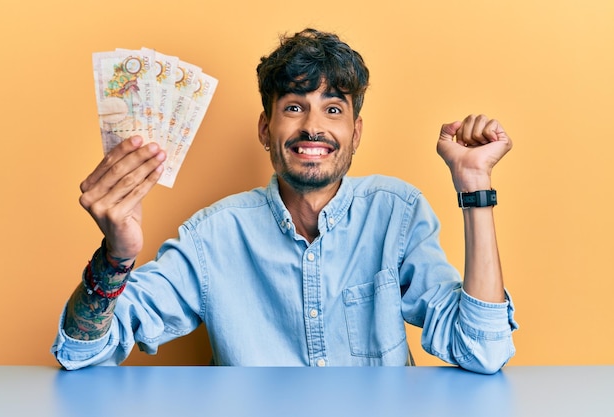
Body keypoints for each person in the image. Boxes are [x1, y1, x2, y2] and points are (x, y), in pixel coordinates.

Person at [52, 28, 517, 373]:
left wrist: (474, 186)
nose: (313, 127)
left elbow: (483, 349)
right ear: (264, 128)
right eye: (294, 106)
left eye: (333, 109)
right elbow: (80, 352)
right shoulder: (212, 238)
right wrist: (115, 257)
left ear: (355, 133)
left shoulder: (396, 214)